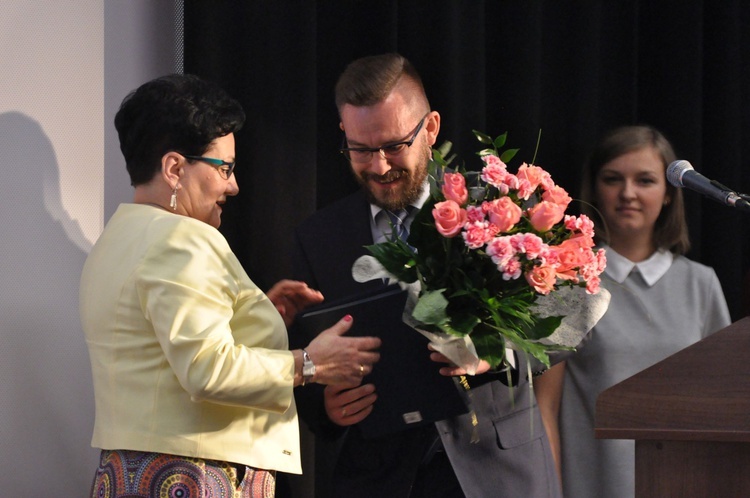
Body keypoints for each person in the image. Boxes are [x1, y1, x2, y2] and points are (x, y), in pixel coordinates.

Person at [79, 73, 381, 498]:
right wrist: (309, 364)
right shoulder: (182, 238)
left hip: (129, 473)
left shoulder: (113, 242)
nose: (234, 185)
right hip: (196, 477)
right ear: (174, 168)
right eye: (225, 168)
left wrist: (251, 316)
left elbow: (162, 352)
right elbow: (207, 369)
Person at [290, 53, 562, 498]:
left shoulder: (497, 204)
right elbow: (303, 360)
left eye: (394, 145)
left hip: (498, 474)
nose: (378, 166)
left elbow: (566, 316)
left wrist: (492, 355)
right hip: (379, 479)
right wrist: (327, 407)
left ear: (430, 129)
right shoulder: (318, 237)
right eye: (360, 149)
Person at [547, 125, 731, 498]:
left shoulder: (701, 284)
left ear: (668, 195)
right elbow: (543, 407)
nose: (628, 193)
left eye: (645, 180)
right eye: (613, 179)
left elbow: (724, 410)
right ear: (594, 188)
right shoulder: (570, 283)